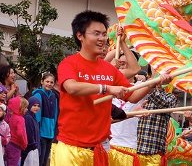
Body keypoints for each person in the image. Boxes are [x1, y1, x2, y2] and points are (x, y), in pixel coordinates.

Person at [50, 10, 172, 166]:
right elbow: (71, 87)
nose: (102, 39)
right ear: (80, 35)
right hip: (71, 149)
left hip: (99, 150)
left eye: (104, 34)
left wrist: (155, 81)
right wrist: (106, 88)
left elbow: (132, 95)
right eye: (96, 34)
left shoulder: (109, 70)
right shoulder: (69, 63)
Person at [136, 85, 177, 165]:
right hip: (135, 147)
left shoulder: (170, 97)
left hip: (153, 150)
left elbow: (164, 105)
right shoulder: (139, 94)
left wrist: (151, 88)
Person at [32, 72, 59, 166]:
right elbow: (36, 115)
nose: (49, 84)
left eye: (51, 82)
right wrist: (37, 130)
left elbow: (55, 114)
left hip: (50, 132)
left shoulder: (54, 96)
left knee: (46, 158)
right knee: (40, 158)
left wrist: (54, 129)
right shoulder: (38, 94)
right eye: (47, 81)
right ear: (42, 82)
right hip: (41, 131)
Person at [5, 97, 28, 166]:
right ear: (19, 108)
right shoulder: (20, 119)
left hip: (9, 143)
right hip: (16, 145)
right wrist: (24, 143)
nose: (27, 109)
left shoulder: (11, 117)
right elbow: (20, 133)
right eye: (25, 107)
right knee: (14, 163)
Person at [21, 96, 41, 166]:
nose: (36, 108)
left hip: (34, 148)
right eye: (34, 105)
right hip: (30, 149)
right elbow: (29, 134)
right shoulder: (28, 117)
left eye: (38, 106)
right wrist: (33, 145)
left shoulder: (34, 116)